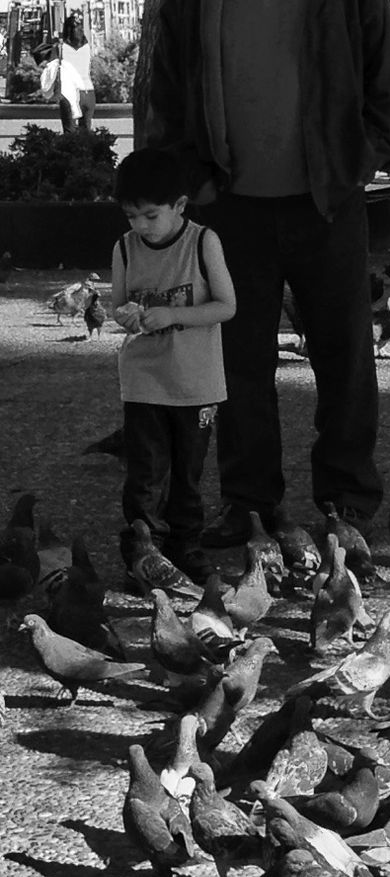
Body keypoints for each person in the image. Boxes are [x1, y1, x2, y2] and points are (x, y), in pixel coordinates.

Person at [147, 0, 390, 546]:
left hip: (325, 202)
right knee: (238, 364)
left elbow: (389, 79)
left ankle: (347, 501)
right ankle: (249, 501)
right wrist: (189, 182)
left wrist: (365, 160)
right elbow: (166, 86)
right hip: (229, 205)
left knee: (344, 355)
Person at [110, 148, 236, 584]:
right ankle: (144, 551)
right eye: (131, 216)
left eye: (150, 215)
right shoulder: (125, 248)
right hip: (144, 379)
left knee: (187, 473)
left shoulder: (203, 242)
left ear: (179, 205)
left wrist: (173, 315)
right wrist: (127, 315)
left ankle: (187, 545)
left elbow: (226, 306)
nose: (140, 226)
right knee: (144, 475)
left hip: (195, 382)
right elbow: (118, 305)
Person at [58, 12, 95, 133]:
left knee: (70, 132)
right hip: (88, 91)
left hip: (70, 92)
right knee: (86, 131)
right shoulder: (88, 47)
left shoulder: (60, 48)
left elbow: (40, 55)